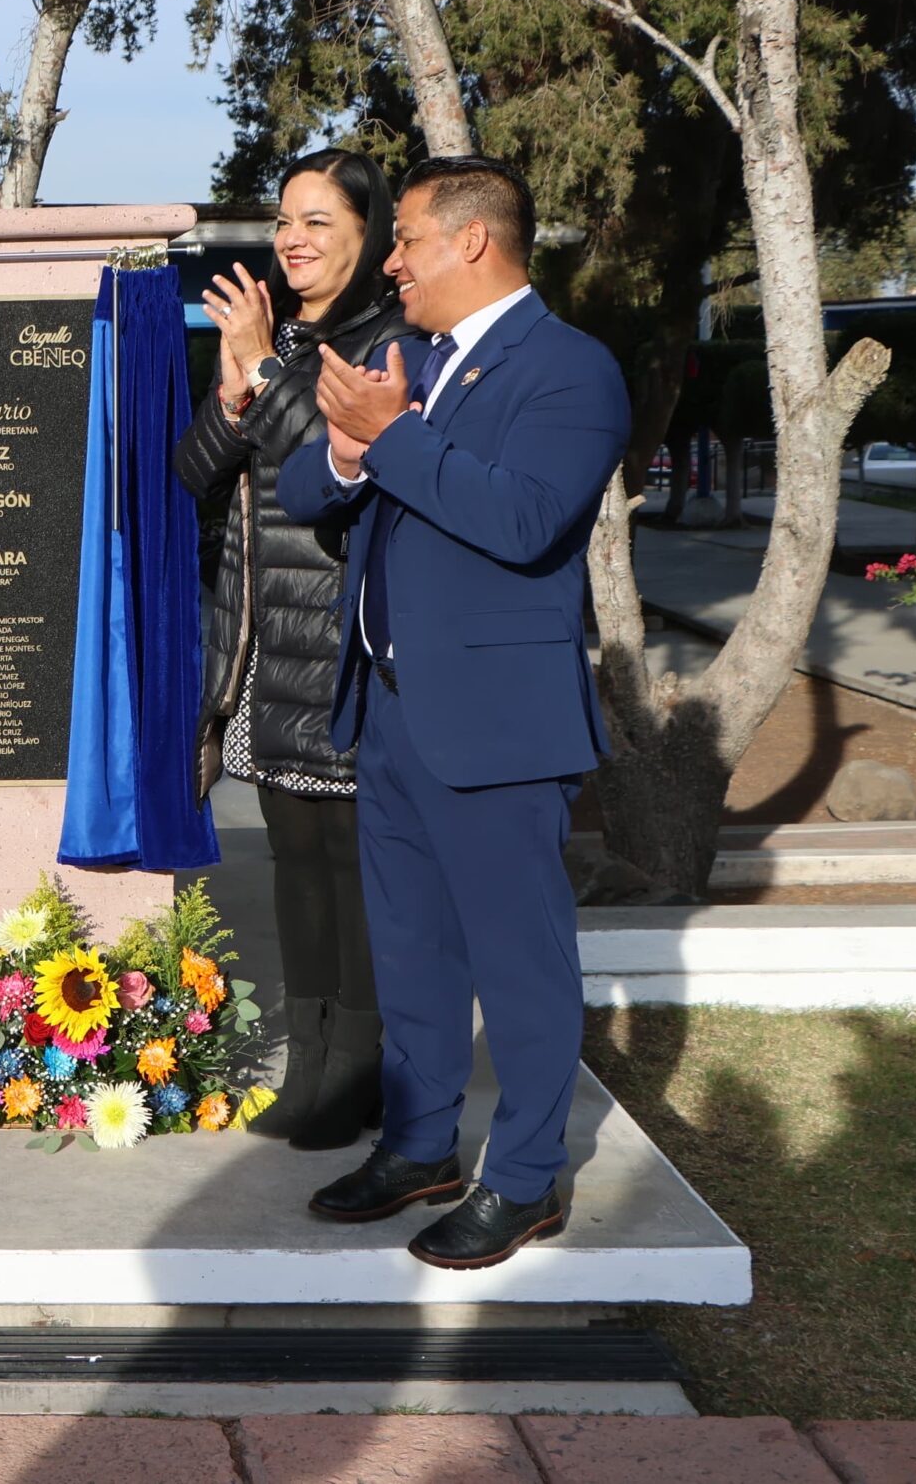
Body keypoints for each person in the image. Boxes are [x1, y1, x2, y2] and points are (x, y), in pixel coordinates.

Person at [277, 154, 630, 1270]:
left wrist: (391, 438)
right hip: (385, 715)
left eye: (408, 242)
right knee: (414, 957)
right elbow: (301, 496)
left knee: (518, 965)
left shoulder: (569, 371)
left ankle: (524, 1179)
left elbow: (524, 520)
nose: (391, 262)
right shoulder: (408, 359)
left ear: (473, 241)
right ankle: (421, 1146)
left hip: (495, 727)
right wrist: (344, 446)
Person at [177, 149, 426, 1150]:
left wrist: (268, 366)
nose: (292, 239)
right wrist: (235, 386)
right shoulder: (266, 343)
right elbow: (196, 474)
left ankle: (360, 1071)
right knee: (293, 862)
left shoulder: (389, 340)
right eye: (285, 220)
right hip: (264, 641)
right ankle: (310, 1061)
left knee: (353, 868)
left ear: (368, 239)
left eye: (319, 221)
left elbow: (327, 463)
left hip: (347, 644)